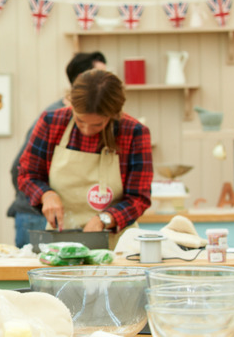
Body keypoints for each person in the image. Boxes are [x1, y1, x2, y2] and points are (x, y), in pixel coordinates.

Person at [17, 69, 152, 248]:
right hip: (59, 242)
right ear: (71, 105)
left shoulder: (134, 132)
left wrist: (105, 219)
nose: (87, 131)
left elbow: (139, 197)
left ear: (113, 114)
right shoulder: (51, 123)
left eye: (97, 124)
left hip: (117, 246)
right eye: (80, 121)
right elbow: (27, 174)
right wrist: (46, 195)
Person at [7, 52, 106, 248]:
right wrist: (45, 196)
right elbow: (19, 170)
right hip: (37, 216)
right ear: (82, 81)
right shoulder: (53, 117)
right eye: (100, 77)